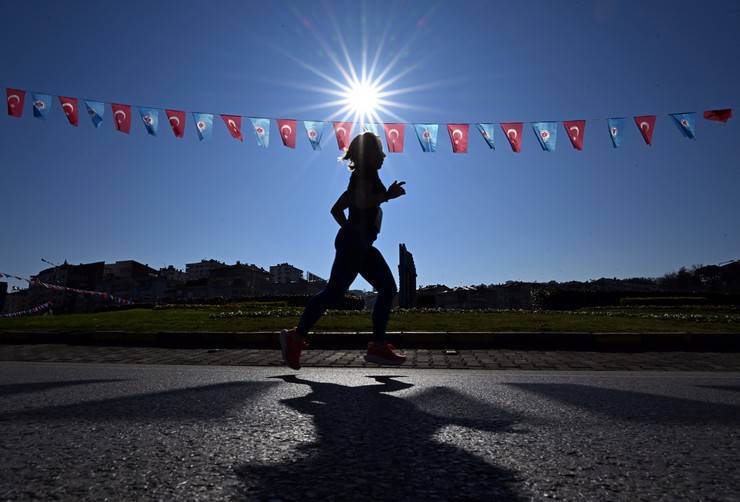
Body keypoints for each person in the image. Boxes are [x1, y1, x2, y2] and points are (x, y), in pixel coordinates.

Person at [280, 132, 408, 369]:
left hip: (358, 242)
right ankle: (295, 337)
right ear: (368, 155)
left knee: (381, 289)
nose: (383, 156)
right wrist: (386, 196)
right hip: (355, 242)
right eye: (379, 152)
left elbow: (337, 209)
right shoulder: (365, 175)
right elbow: (360, 203)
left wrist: (350, 229)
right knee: (338, 293)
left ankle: (377, 345)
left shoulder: (362, 177)